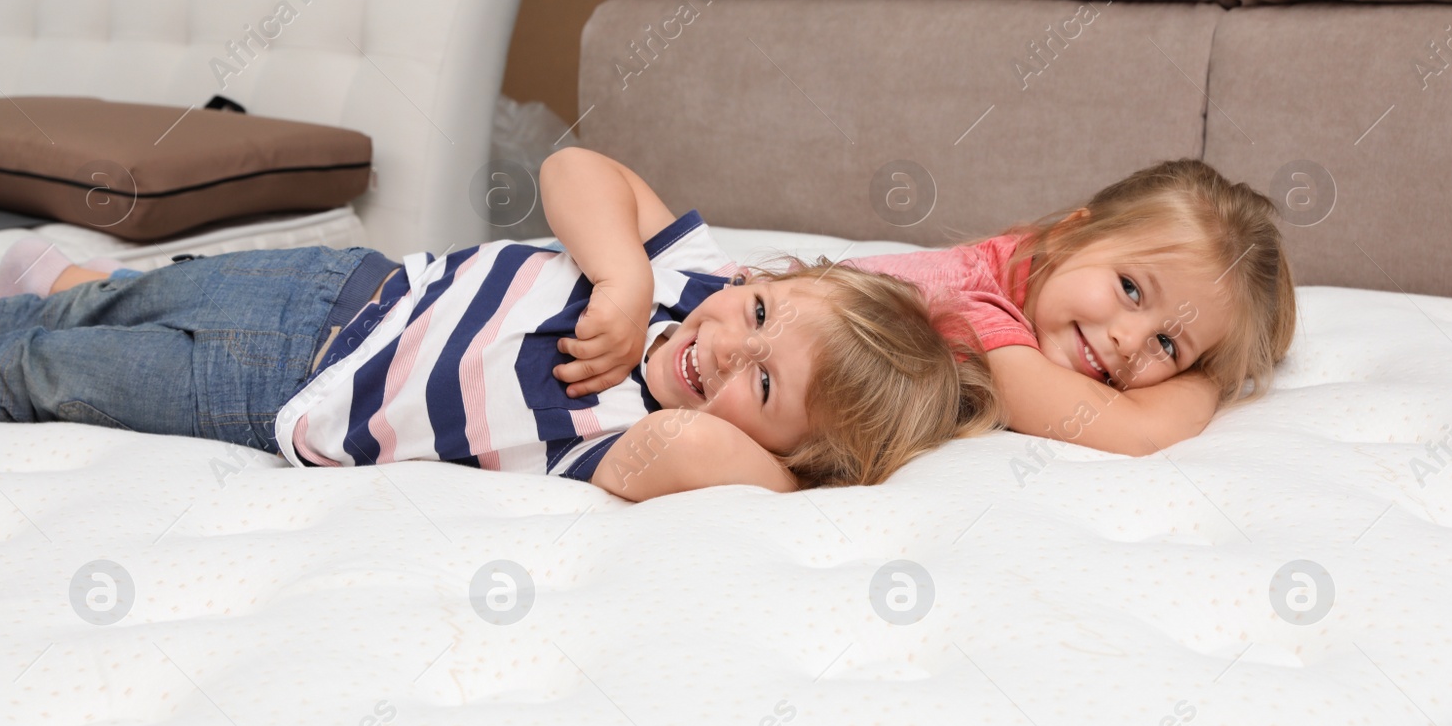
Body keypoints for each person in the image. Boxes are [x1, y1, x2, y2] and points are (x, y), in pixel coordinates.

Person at [0, 175, 1001, 502]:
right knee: (115, 302)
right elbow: (578, 172)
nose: (723, 350)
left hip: (284, 398)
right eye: (758, 316)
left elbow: (709, 461)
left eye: (761, 385)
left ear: (781, 449)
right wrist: (622, 272)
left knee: (51, 372)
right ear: (759, 279)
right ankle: (32, 294)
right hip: (344, 283)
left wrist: (800, 468)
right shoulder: (684, 277)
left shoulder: (634, 435)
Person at [551, 153, 1297, 457]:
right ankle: (624, 275)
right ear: (1069, 237)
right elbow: (1132, 432)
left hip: (762, 330)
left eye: (1171, 346)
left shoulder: (1032, 273)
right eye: (1131, 289)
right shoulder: (981, 319)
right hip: (745, 324)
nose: (1131, 341)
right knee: (618, 232)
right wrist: (1211, 376)